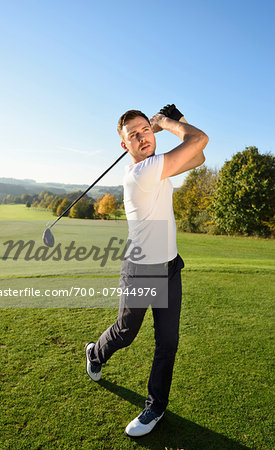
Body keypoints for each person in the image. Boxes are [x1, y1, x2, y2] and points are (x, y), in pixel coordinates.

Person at [85, 104, 209, 437]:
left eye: (145, 130)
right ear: (124, 146)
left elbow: (198, 157)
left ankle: (155, 406)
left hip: (169, 267)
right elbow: (200, 140)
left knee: (167, 343)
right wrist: (166, 122)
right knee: (126, 333)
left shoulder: (158, 167)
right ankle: (95, 353)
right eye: (134, 135)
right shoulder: (143, 172)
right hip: (141, 271)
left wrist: (176, 123)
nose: (143, 137)